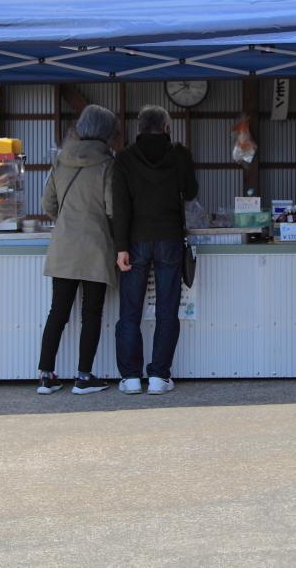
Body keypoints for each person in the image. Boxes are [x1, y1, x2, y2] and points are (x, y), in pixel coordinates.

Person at [112, 104, 198, 395]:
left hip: (135, 241)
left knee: (130, 310)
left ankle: (131, 377)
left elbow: (120, 206)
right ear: (166, 127)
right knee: (166, 309)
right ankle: (160, 376)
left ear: (139, 128)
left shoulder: (123, 158)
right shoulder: (179, 154)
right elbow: (192, 191)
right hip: (169, 238)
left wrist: (121, 247)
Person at [37, 105, 119, 395]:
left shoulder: (61, 160)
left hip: (64, 246)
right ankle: (84, 377)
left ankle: (46, 376)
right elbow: (112, 207)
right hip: (95, 245)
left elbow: (47, 203)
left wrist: (67, 220)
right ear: (108, 132)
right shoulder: (108, 164)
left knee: (57, 312)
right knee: (91, 312)